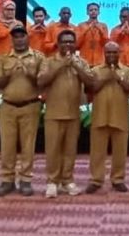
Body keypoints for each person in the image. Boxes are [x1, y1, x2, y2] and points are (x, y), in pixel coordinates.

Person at [37, 29, 94, 198]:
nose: (68, 45)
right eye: (64, 42)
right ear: (58, 44)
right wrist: (61, 65)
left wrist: (75, 65)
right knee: (53, 150)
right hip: (54, 114)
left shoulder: (81, 62)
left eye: (71, 42)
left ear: (75, 44)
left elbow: (91, 83)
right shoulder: (49, 61)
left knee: (70, 150)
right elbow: (41, 81)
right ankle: (52, 182)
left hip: (73, 114)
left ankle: (67, 180)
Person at [0, 25, 44, 197]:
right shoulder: (4, 58)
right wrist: (8, 75)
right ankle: (7, 180)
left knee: (28, 145)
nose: (19, 39)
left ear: (27, 38)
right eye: (16, 37)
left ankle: (25, 180)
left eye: (22, 36)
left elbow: (43, 83)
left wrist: (30, 74)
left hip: (30, 105)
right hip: (8, 106)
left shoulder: (38, 57)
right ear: (12, 40)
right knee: (7, 145)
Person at [87, 42, 129, 194]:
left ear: (119, 53)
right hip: (100, 116)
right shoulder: (95, 70)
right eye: (108, 52)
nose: (111, 55)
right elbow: (91, 89)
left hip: (120, 116)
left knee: (120, 151)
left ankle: (118, 179)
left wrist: (118, 79)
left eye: (114, 52)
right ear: (104, 53)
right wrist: (107, 78)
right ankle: (96, 180)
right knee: (97, 152)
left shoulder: (127, 71)